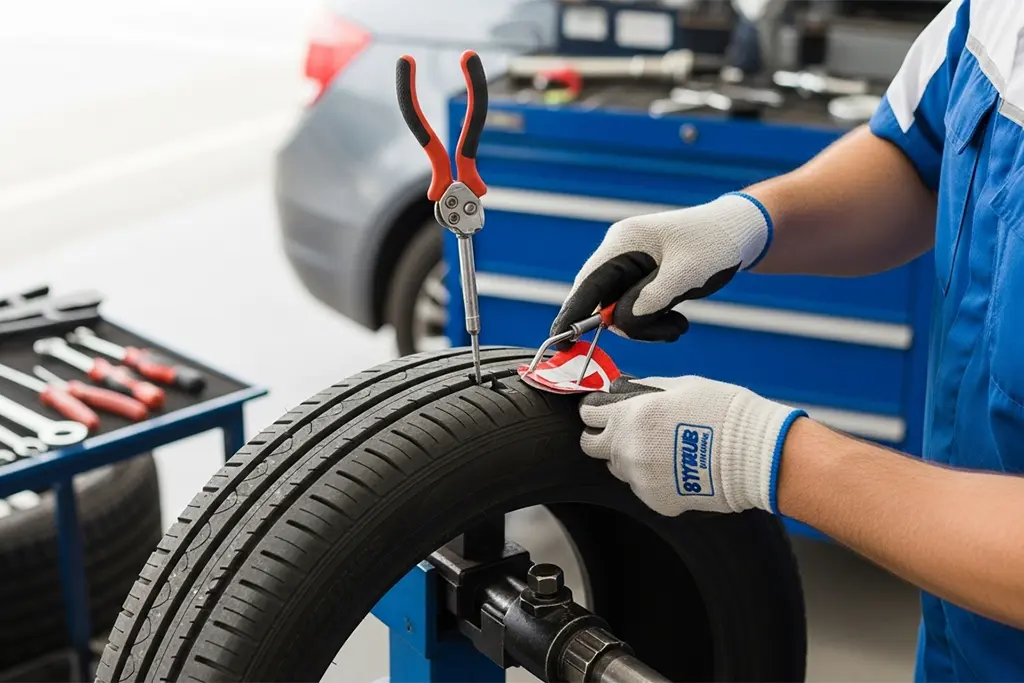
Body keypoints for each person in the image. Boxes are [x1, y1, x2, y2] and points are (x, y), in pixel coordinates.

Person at [550, 2, 1024, 680]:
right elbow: (917, 155)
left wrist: (768, 454)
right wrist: (745, 222)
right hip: (960, 640)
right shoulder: (994, 16)